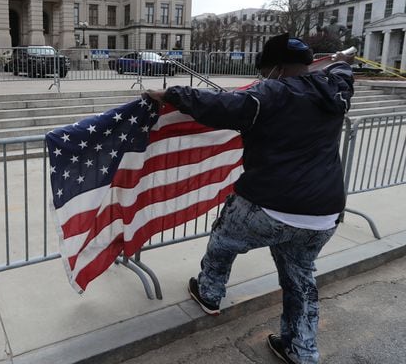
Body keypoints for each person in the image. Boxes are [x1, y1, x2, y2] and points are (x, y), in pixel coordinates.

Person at [145, 33, 354, 364]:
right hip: (323, 214)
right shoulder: (336, 89)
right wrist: (341, 62)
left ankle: (210, 292)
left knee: (223, 240)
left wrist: (172, 93)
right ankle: (301, 350)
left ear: (273, 68)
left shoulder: (269, 93)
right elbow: (343, 72)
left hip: (269, 204)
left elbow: (219, 106)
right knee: (300, 279)